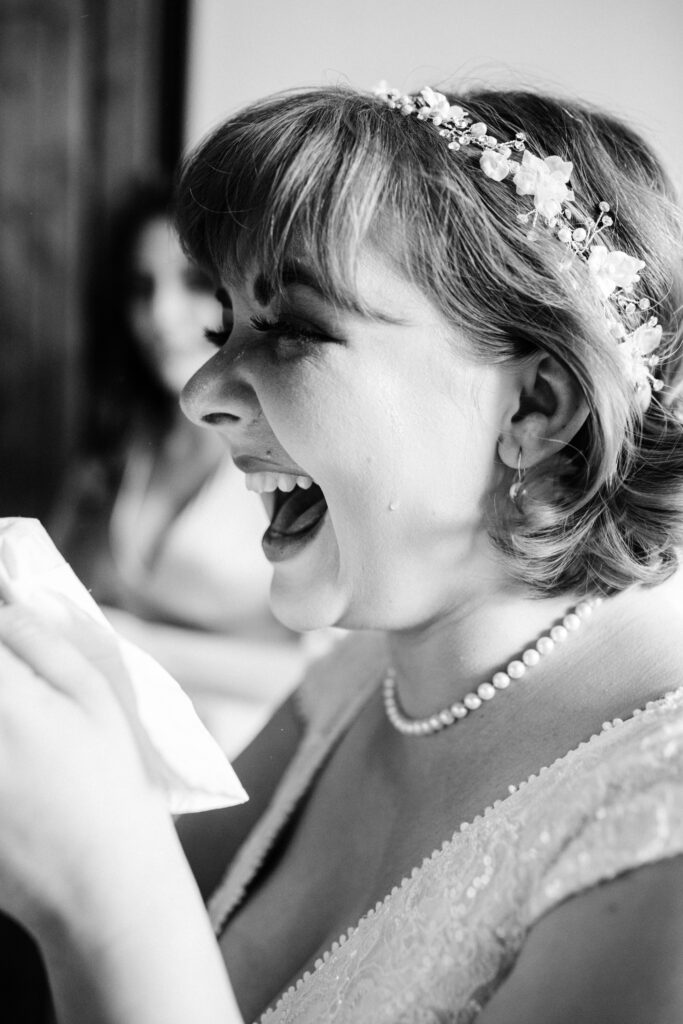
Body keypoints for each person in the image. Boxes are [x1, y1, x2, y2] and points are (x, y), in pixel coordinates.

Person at [0, 81, 683, 1024]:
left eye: (291, 331)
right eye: (222, 327)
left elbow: (131, 918)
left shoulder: (658, 819)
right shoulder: (362, 678)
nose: (203, 392)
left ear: (534, 408)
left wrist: (103, 895)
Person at [50, 180, 311, 755]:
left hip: (246, 760)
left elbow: (326, 674)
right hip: (120, 742)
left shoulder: (290, 457)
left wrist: (137, 643)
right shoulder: (123, 439)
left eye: (194, 283)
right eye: (141, 288)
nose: (160, 315)